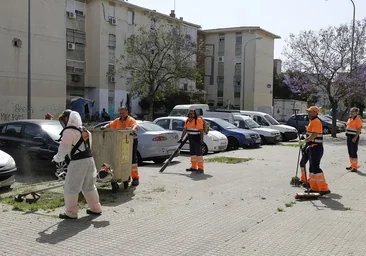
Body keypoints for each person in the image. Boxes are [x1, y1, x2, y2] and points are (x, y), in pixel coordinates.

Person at [53, 110, 102, 219]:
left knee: (71, 187)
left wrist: (57, 158)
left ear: (67, 118)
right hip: (89, 160)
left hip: (78, 162)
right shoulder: (85, 130)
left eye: (63, 118)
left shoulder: (69, 131)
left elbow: (64, 149)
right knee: (89, 186)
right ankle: (96, 208)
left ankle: (71, 212)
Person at [103, 106, 140, 186]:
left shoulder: (131, 120)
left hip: (131, 141)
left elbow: (135, 126)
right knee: (120, 160)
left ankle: (135, 178)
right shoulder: (117, 121)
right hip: (120, 142)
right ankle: (125, 176)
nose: (121, 115)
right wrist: (104, 127)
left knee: (132, 159)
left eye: (123, 113)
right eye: (120, 113)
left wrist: (133, 129)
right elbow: (109, 125)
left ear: (127, 112)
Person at [302, 106, 330, 195]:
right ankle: (314, 187)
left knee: (315, 168)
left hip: (316, 148)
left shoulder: (317, 122)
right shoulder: (312, 121)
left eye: (310, 112)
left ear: (315, 113)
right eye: (308, 112)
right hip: (312, 147)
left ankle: (324, 188)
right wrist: (305, 140)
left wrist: (305, 140)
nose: (308, 113)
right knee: (311, 168)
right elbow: (310, 134)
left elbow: (314, 135)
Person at [179, 109, 205, 174]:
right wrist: (181, 138)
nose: (191, 114)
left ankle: (201, 168)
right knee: (193, 154)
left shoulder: (198, 120)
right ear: (188, 114)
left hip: (197, 138)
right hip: (190, 138)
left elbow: (201, 131)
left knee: (199, 154)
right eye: (190, 113)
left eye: (192, 113)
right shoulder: (187, 121)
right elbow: (185, 130)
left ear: (195, 114)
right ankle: (193, 167)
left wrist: (201, 139)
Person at [346, 107, 363, 172]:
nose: (351, 112)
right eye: (351, 111)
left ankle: (355, 167)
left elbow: (358, 129)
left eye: (353, 111)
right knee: (350, 152)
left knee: (353, 152)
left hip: (354, 137)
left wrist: (355, 137)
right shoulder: (350, 119)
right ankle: (352, 165)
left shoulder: (358, 120)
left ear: (356, 113)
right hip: (349, 137)